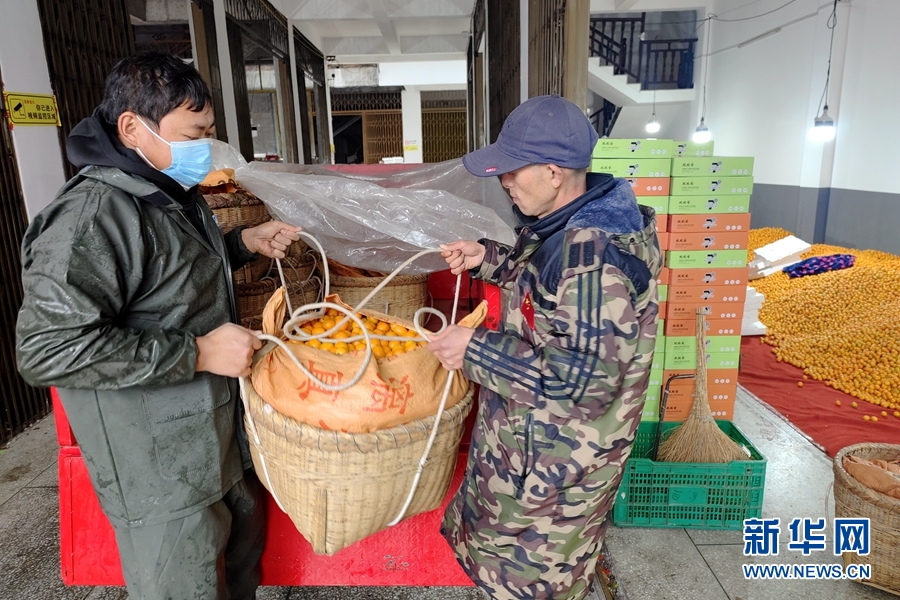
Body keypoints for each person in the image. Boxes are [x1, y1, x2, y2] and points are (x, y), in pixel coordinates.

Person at [15, 52, 301, 599]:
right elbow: (47, 349)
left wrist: (243, 244)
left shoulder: (165, 191)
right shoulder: (90, 217)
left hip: (214, 440)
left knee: (237, 574)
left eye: (210, 134)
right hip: (158, 467)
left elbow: (167, 280)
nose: (207, 149)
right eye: (197, 134)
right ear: (131, 127)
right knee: (185, 584)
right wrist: (196, 353)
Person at [426, 95, 661, 600]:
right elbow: (550, 296)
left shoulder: (593, 258)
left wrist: (474, 350)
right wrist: (490, 258)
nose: (504, 180)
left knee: (534, 586)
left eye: (513, 171)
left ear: (554, 172)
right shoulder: (570, 227)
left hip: (555, 477)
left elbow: (584, 383)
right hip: (532, 452)